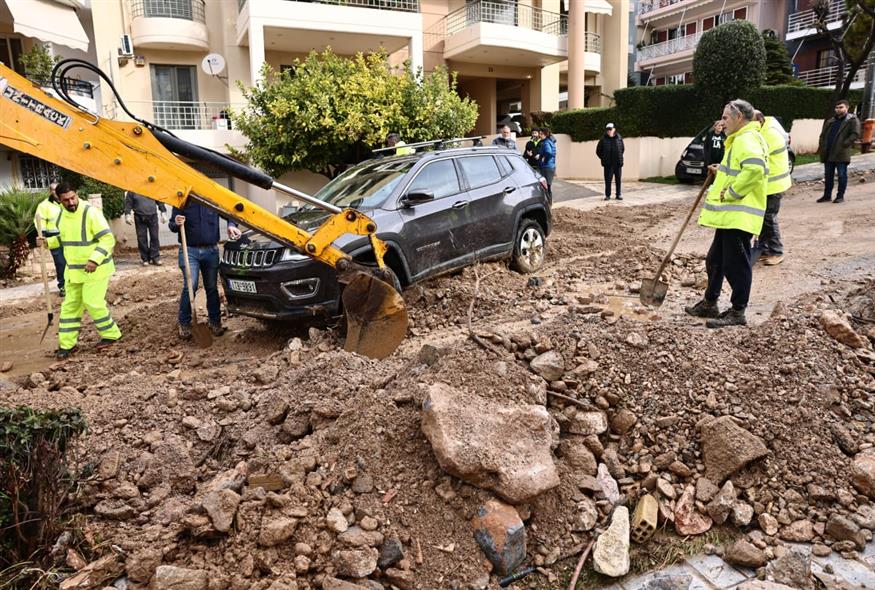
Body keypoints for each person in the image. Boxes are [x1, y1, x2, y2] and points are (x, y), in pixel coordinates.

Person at [685, 99, 768, 329]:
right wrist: (720, 170)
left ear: (739, 117)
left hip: (739, 215)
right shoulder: (741, 138)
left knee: (736, 265)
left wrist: (732, 192)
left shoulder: (746, 139)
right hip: (730, 216)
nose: (722, 122)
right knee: (715, 260)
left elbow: (755, 170)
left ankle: (738, 311)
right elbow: (740, 168)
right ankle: (710, 303)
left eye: (725, 117)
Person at [39, 183, 122, 359]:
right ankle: (67, 345)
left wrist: (94, 259)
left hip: (96, 269)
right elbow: (63, 239)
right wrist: (46, 242)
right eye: (66, 200)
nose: (71, 203)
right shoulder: (60, 216)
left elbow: (107, 239)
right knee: (70, 307)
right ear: (59, 200)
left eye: (73, 198)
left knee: (93, 302)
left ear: (76, 194)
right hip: (74, 272)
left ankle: (111, 335)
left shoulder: (91, 213)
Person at [168, 202, 241, 339]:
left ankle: (215, 322)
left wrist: (231, 225)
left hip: (211, 250)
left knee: (211, 287)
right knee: (191, 285)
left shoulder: (211, 198)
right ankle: (184, 322)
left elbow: (230, 213)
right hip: (189, 250)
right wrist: (176, 223)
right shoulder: (183, 199)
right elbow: (172, 225)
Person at [752, 110, 792, 266]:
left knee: (769, 218)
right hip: (768, 183)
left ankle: (777, 251)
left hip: (774, 184)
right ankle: (764, 248)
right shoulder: (765, 129)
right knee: (763, 218)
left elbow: (756, 156)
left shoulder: (770, 134)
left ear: (759, 122)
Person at [817, 99, 860, 204]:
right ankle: (827, 195)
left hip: (841, 153)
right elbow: (823, 135)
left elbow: (855, 134)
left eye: (841, 107)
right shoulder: (831, 121)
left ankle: (840, 196)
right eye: (836, 108)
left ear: (847, 108)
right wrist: (822, 145)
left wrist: (845, 143)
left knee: (841, 175)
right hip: (828, 152)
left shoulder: (852, 120)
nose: (838, 109)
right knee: (828, 176)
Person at [34, 181, 66, 296]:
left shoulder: (66, 201)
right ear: (50, 191)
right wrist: (41, 236)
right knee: (61, 263)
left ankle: (74, 285)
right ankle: (63, 286)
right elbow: (40, 222)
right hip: (54, 238)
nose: (56, 192)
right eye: (53, 190)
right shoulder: (43, 206)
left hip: (69, 236)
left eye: (57, 189)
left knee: (72, 262)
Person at [124, 190, 167, 266]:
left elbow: (160, 201)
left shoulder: (152, 188)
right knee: (141, 238)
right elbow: (128, 203)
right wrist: (127, 214)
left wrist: (163, 212)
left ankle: (155, 257)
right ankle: (145, 259)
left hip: (153, 216)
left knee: (154, 237)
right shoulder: (132, 190)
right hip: (139, 216)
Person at [596, 123, 624, 201]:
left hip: (617, 163)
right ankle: (607, 195)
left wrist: (619, 157)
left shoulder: (619, 138)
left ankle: (618, 195)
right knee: (608, 180)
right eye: (607, 129)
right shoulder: (603, 139)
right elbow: (598, 151)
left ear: (614, 129)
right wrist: (604, 158)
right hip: (608, 164)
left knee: (618, 180)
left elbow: (622, 149)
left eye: (610, 129)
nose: (609, 131)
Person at [537, 127, 556, 200]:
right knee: (548, 186)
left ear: (545, 134)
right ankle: (549, 201)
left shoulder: (546, 142)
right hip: (550, 166)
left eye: (541, 134)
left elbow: (548, 153)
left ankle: (549, 202)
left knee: (546, 186)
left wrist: (544, 160)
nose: (539, 135)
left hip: (547, 167)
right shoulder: (549, 141)